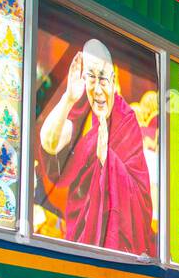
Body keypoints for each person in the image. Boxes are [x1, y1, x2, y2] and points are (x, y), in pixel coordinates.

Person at [36, 39, 153, 253]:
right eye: (91, 78)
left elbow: (142, 198)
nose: (98, 89)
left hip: (116, 239)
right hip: (80, 229)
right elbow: (50, 142)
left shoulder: (126, 120)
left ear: (113, 81)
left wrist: (108, 160)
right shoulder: (81, 111)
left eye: (103, 79)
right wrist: (68, 98)